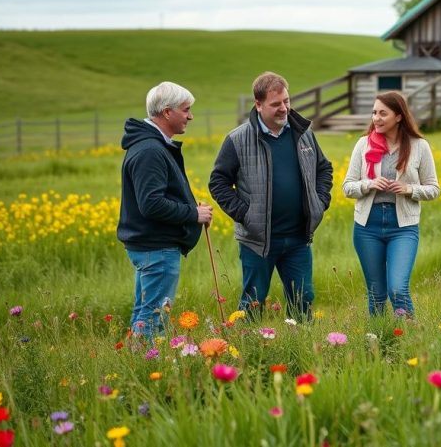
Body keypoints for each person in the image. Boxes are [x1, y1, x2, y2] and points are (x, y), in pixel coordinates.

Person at [209, 72, 333, 320]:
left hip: (298, 239)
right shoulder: (238, 139)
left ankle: (301, 351)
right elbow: (218, 182)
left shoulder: (303, 133)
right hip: (258, 241)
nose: (284, 108)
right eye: (276, 104)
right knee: (253, 303)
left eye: (286, 101)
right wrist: (245, 214)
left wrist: (319, 202)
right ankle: (250, 353)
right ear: (258, 104)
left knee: (303, 300)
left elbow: (324, 168)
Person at [118, 81, 214, 339]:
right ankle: (147, 369)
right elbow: (151, 204)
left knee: (144, 314)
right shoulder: (150, 150)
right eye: (186, 109)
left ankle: (138, 363)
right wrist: (193, 214)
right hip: (157, 248)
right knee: (153, 317)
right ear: (167, 112)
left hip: (152, 246)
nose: (190, 116)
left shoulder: (151, 145)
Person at [343, 91, 439, 318]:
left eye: (382, 113)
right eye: (374, 112)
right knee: (376, 294)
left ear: (398, 116)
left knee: (398, 289)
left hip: (403, 227)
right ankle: (380, 342)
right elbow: (347, 187)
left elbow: (434, 188)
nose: (376, 118)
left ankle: (412, 340)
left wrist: (409, 189)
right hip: (367, 226)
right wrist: (368, 185)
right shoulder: (363, 144)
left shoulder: (419, 146)